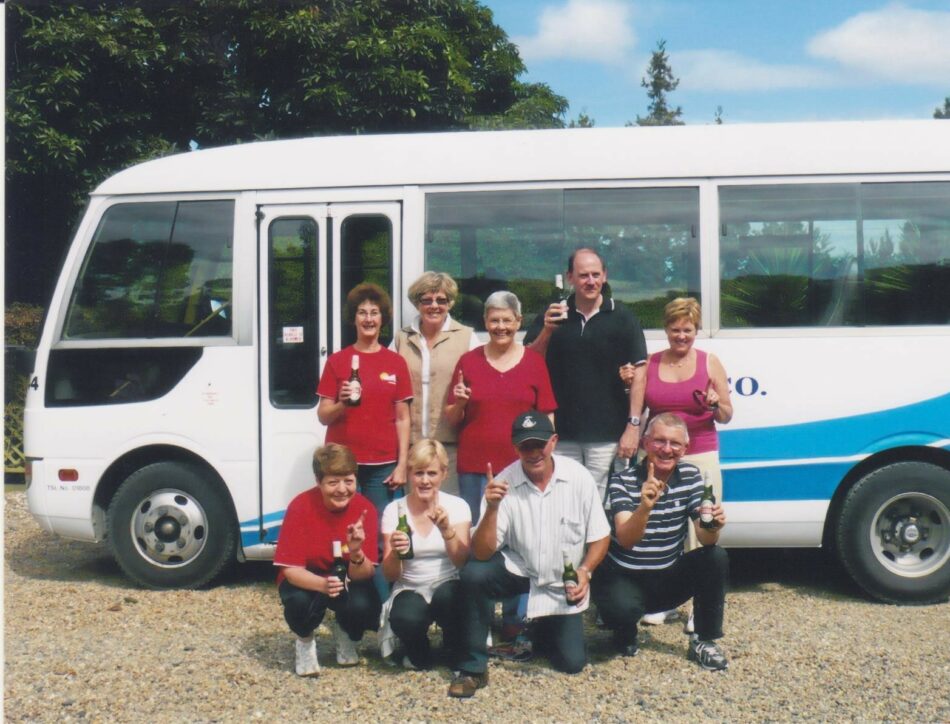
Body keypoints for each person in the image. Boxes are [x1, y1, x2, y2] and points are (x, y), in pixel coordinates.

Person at [448, 412, 610, 698]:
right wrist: (493, 508)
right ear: (515, 448)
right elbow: (483, 551)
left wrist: (585, 571)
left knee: (572, 663)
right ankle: (473, 667)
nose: (534, 453)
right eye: (526, 446)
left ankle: (541, 628)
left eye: (540, 444)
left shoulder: (579, 477)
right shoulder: (503, 482)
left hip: (562, 580)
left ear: (554, 442)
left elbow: (600, 536)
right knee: (474, 574)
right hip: (520, 569)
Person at [620, 296, 733, 628]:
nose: (681, 336)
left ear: (696, 330)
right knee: (655, 526)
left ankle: (701, 606)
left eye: (688, 330)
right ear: (666, 329)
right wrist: (630, 434)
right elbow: (635, 417)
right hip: (657, 455)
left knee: (702, 526)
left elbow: (726, 415)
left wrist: (714, 404)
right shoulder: (649, 365)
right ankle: (661, 600)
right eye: (675, 330)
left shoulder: (709, 363)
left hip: (700, 452)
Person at [591, 413, 730, 671]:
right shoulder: (623, 480)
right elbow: (626, 539)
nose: (667, 449)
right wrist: (645, 508)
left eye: (675, 443)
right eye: (659, 441)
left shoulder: (691, 476)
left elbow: (705, 537)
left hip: (665, 578)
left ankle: (705, 640)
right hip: (625, 576)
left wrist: (713, 526)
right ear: (645, 443)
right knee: (620, 611)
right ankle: (623, 629)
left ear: (685, 449)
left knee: (715, 556)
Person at [524, 247, 648, 500]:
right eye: (583, 275)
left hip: (607, 435)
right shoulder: (554, 314)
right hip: (561, 434)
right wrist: (547, 331)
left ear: (605, 276)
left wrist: (632, 427)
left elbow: (640, 373)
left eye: (595, 274)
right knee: (561, 501)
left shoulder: (623, 316)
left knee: (599, 505)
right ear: (570, 277)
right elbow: (528, 363)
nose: (590, 281)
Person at [317, 283, 413, 576]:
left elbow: (402, 418)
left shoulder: (395, 362)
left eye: (374, 312)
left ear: (382, 318)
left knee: (380, 537)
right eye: (362, 313)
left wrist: (402, 464)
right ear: (354, 319)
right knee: (341, 533)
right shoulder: (337, 361)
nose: (369, 319)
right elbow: (323, 415)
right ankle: (345, 598)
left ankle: (381, 603)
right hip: (341, 466)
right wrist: (343, 403)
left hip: (381, 466)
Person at [444, 291, 557, 522]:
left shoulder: (534, 363)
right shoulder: (469, 361)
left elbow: (547, 416)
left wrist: (544, 458)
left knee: (521, 528)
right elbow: (452, 418)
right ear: (485, 321)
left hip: (521, 465)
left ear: (518, 321)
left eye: (507, 320)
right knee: (477, 531)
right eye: (494, 320)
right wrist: (460, 404)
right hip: (475, 467)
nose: (501, 327)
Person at [274, 444, 382, 677]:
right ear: (319, 481)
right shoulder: (300, 506)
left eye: (349, 481)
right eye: (333, 482)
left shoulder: (366, 509)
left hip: (346, 575)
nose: (342, 489)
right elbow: (291, 569)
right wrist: (322, 585)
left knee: (365, 606)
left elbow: (365, 574)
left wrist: (356, 553)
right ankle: (304, 641)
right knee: (300, 604)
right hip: (307, 577)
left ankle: (346, 631)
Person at [378, 439, 471, 670]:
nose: (425, 480)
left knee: (452, 599)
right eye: (419, 473)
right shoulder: (394, 510)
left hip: (447, 582)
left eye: (432, 473)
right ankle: (418, 648)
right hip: (410, 585)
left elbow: (462, 562)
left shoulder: (458, 506)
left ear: (444, 474)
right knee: (406, 618)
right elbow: (389, 575)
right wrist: (397, 554)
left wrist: (447, 531)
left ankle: (454, 643)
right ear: (410, 474)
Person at [392, 272, 478, 496]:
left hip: (451, 446)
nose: (434, 306)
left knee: (448, 514)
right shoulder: (401, 338)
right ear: (416, 303)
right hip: (411, 447)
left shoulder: (467, 337)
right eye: (426, 300)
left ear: (450, 303)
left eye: (441, 300)